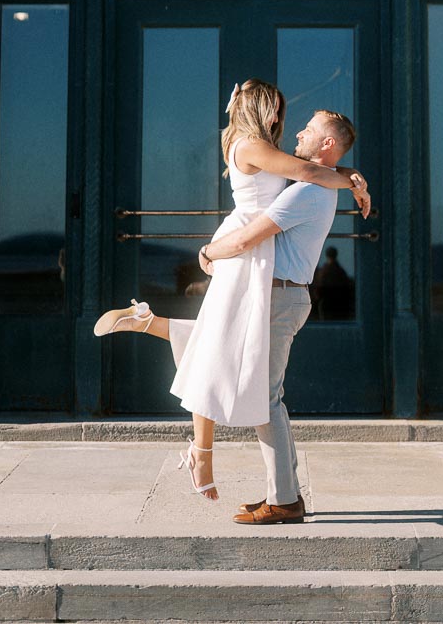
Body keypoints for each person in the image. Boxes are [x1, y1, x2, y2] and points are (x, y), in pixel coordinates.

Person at [93, 80, 369, 503]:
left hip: (253, 253)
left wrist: (350, 176)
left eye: (288, 115)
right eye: (276, 110)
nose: (284, 121)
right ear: (260, 110)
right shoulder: (252, 147)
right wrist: (351, 179)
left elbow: (315, 171)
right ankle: (217, 461)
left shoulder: (269, 155)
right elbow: (312, 171)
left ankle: (149, 325)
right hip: (247, 249)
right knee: (216, 349)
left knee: (214, 344)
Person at [199, 106, 363, 524]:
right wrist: (355, 177)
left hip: (279, 299)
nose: (296, 137)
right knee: (264, 396)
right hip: (277, 296)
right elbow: (321, 173)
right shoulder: (316, 185)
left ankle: (285, 500)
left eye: (307, 132)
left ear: (326, 144)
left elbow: (247, 239)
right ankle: (282, 493)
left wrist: (206, 252)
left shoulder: (306, 192)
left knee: (266, 399)